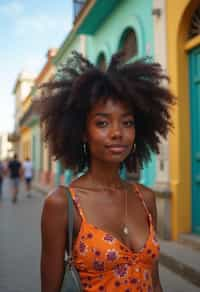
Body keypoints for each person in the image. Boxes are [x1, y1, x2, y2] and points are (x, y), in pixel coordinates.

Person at [37, 51, 174, 291]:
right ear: (82, 131)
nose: (117, 132)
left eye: (127, 122)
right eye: (102, 123)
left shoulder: (146, 198)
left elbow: (155, 281)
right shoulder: (63, 203)